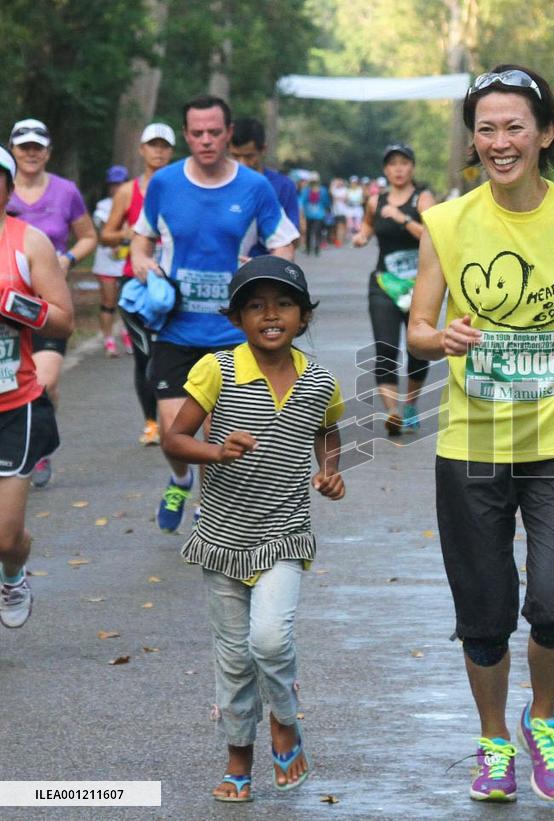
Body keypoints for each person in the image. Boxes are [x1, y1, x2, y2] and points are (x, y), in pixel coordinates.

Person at [408, 65, 554, 803]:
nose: (500, 142)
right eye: (486, 128)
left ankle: (543, 720)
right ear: (472, 140)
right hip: (472, 443)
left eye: (514, 127)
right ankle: (493, 740)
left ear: (545, 134)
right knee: (484, 610)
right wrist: (441, 336)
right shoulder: (448, 221)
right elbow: (415, 327)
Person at [162, 256, 345, 802]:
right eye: (256, 306)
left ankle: (284, 722)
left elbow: (328, 431)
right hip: (221, 541)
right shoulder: (217, 369)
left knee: (269, 639)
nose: (271, 314)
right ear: (238, 318)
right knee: (234, 658)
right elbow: (175, 440)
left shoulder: (319, 379)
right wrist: (216, 450)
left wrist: (329, 471)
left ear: (304, 317)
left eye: (284, 304)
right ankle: (238, 758)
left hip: (284, 534)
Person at [131, 95, 299, 534]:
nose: (206, 141)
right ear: (185, 136)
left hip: (231, 331)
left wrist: (265, 271)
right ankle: (180, 478)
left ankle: (210, 507)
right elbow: (141, 240)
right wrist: (144, 264)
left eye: (214, 132)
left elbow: (284, 243)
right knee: (173, 431)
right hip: (176, 327)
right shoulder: (165, 184)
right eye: (197, 133)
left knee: (214, 429)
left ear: (228, 133)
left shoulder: (254, 188)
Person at [0, 146, 75, 629]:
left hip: (14, 404)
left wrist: (14, 305)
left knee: (5, 539)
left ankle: (13, 573)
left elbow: (65, 320)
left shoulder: (29, 242)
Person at [8, 118, 97, 487]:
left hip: (46, 304)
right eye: (23, 146)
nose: (31, 152)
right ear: (12, 152)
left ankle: (38, 445)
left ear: (48, 152)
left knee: (44, 382)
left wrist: (67, 260)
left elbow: (88, 236)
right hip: (5, 312)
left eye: (37, 146)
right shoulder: (3, 189)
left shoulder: (65, 191)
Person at [101, 122, 176, 446]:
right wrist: (133, 233)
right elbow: (105, 235)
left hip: (173, 282)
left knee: (175, 352)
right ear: (142, 149)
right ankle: (151, 422)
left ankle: (178, 419)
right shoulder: (128, 191)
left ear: (171, 151)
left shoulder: (181, 187)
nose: (158, 151)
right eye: (152, 144)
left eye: (164, 145)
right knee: (146, 355)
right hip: (136, 285)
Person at [353, 143, 435, 434]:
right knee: (385, 350)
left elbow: (433, 234)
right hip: (385, 284)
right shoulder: (376, 201)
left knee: (417, 349)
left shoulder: (422, 199)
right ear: (385, 169)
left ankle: (410, 405)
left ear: (412, 166)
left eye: (403, 163)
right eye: (392, 164)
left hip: (419, 287)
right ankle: (393, 412)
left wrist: (402, 218)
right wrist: (361, 237)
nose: (398, 169)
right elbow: (367, 227)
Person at [230, 118, 300, 258]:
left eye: (249, 156)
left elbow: (291, 238)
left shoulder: (283, 186)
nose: (242, 163)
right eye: (236, 156)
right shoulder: (221, 184)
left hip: (265, 271)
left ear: (263, 149)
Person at [91, 165, 130, 357]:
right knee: (108, 302)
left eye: (120, 184)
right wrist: (121, 235)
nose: (117, 188)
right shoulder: (102, 207)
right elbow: (102, 233)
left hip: (126, 260)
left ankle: (126, 334)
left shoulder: (133, 202)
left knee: (126, 302)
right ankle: (108, 341)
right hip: (106, 261)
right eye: (113, 184)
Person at [299, 177, 330, 256]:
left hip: (319, 215)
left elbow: (326, 202)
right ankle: (308, 248)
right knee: (309, 232)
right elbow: (302, 201)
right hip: (309, 215)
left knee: (317, 232)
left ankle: (316, 248)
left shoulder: (322, 191)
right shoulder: (306, 191)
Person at [328, 177, 348, 246]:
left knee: (340, 226)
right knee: (334, 227)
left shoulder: (344, 190)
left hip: (342, 211)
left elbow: (345, 198)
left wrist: (337, 198)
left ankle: (340, 241)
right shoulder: (334, 189)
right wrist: (333, 183)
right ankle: (335, 240)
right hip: (335, 211)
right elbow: (330, 192)